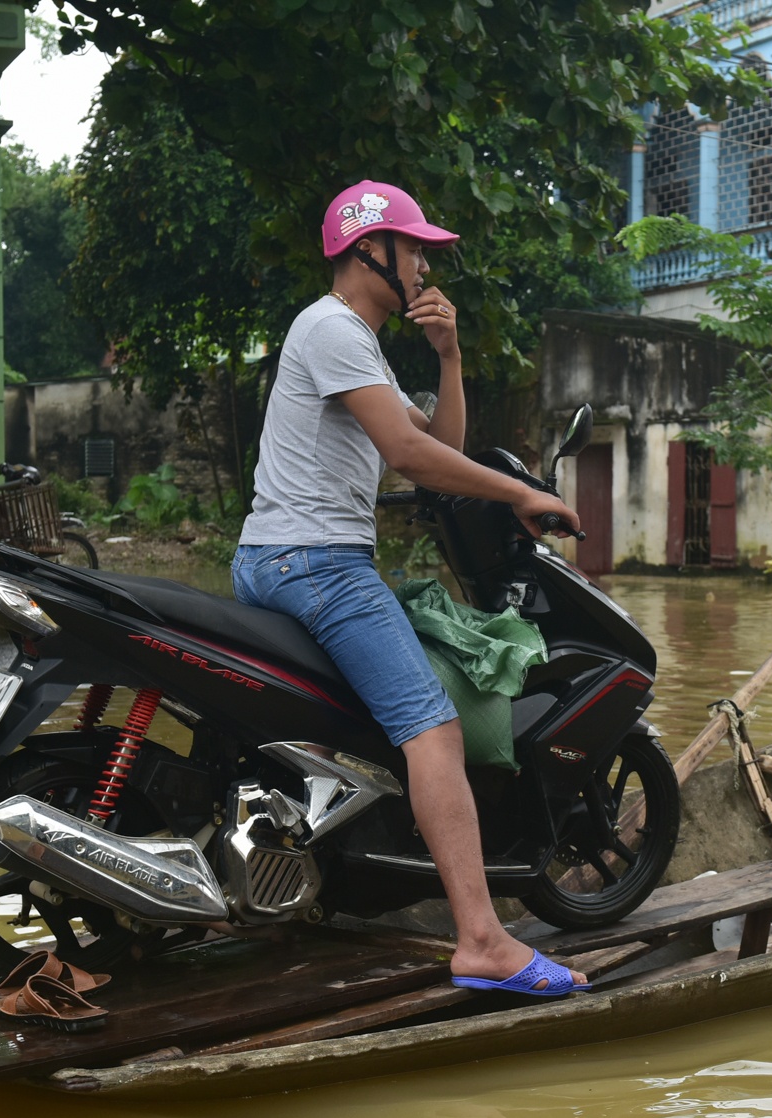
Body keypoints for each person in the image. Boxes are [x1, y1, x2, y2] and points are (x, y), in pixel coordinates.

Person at [232, 180, 587, 997]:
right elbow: (412, 457)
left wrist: (450, 358)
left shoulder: (352, 341)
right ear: (369, 251)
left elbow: (442, 448)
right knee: (433, 732)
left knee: (350, 727)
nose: (426, 262)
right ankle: (483, 939)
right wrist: (524, 493)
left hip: (282, 558)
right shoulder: (332, 328)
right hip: (319, 563)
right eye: (414, 246)